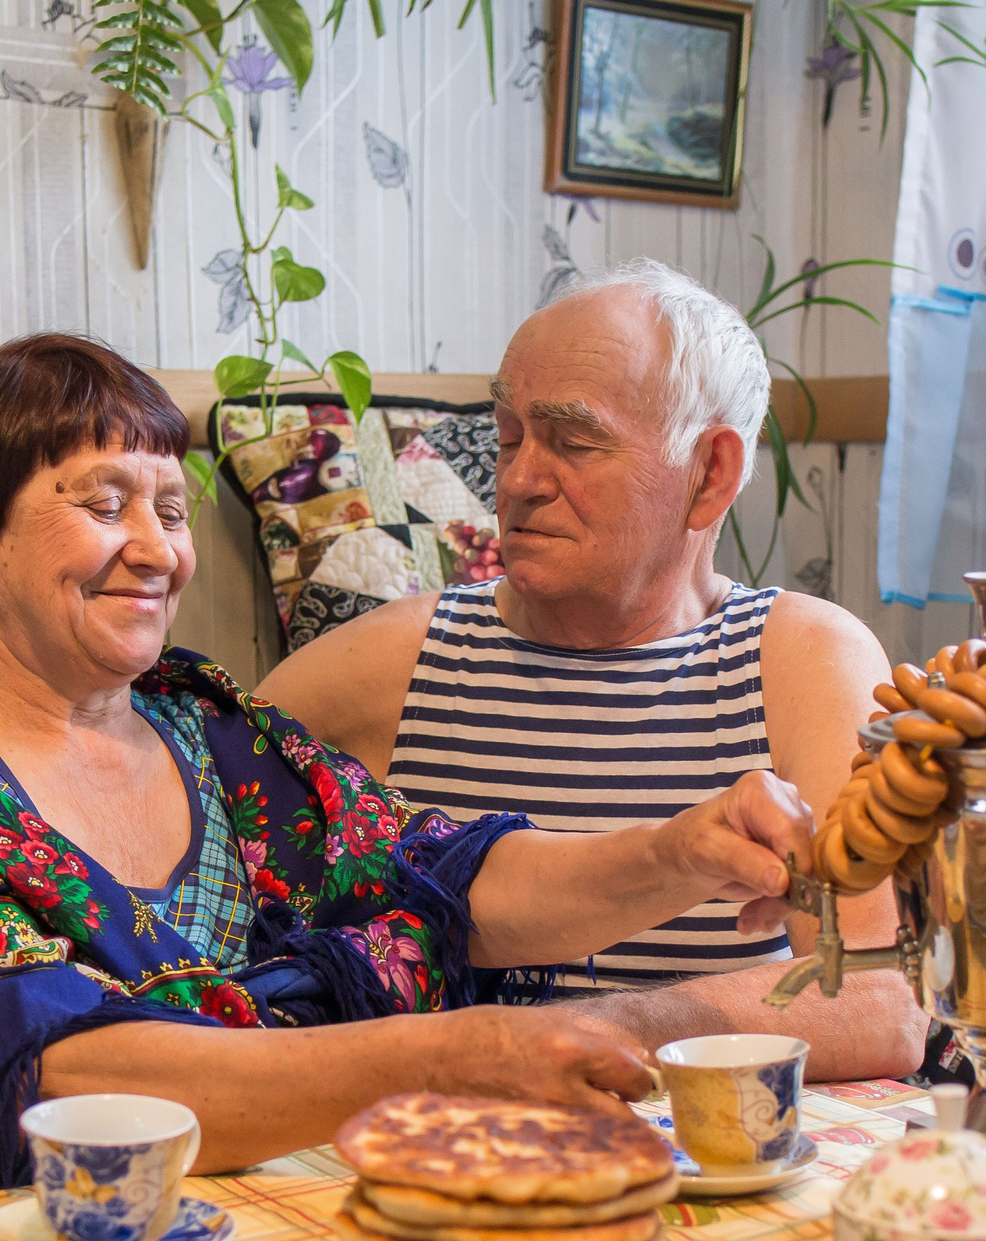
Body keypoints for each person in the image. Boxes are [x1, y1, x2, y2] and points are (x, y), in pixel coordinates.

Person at [0, 333, 819, 1219]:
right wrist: (444, 1055)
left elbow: (443, 886)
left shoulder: (213, 735)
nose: (156, 550)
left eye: (170, 511)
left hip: (263, 1239)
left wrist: (681, 852)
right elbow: (52, 1079)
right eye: (104, 504)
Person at [256, 260, 926, 1079]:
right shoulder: (392, 662)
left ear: (710, 474)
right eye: (508, 437)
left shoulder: (802, 661)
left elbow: (875, 999)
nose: (518, 480)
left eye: (573, 442)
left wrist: (591, 1034)